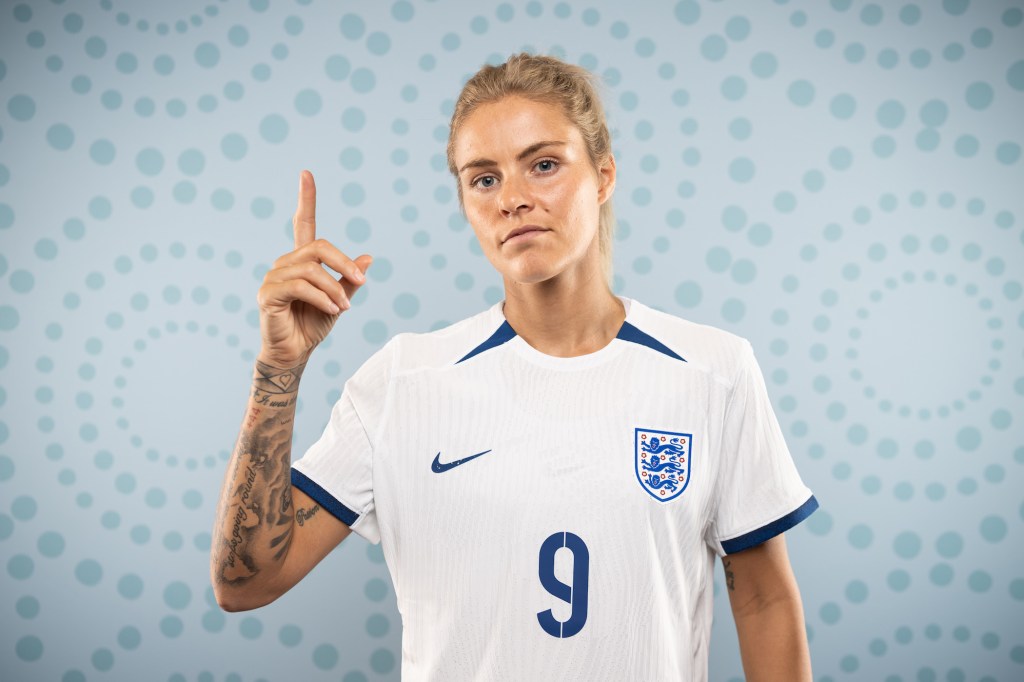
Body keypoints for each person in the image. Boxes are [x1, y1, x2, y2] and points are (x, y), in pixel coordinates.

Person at [211, 52, 818, 681]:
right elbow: (244, 583)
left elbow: (765, 599)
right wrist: (278, 368)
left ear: (604, 176)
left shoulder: (712, 370)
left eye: (544, 165)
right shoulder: (402, 381)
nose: (514, 199)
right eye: (483, 178)